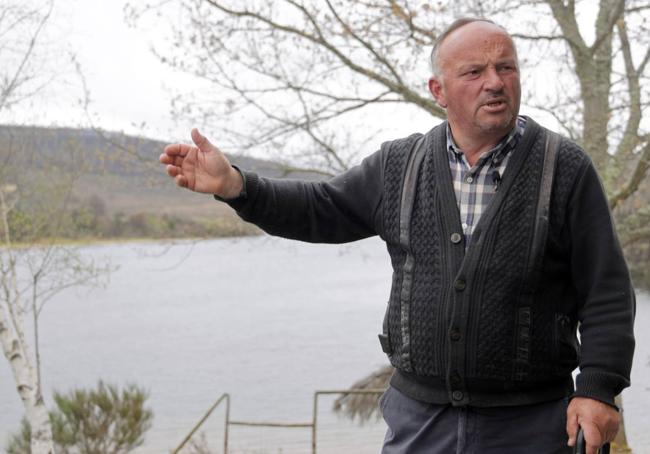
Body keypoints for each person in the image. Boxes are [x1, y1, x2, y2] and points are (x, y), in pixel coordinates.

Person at [159, 18, 635, 454]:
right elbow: (320, 208)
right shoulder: (399, 166)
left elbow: (607, 291)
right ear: (438, 90)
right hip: (420, 423)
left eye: (505, 67)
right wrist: (237, 187)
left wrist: (598, 387)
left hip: (532, 423)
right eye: (474, 72)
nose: (494, 82)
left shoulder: (564, 168)